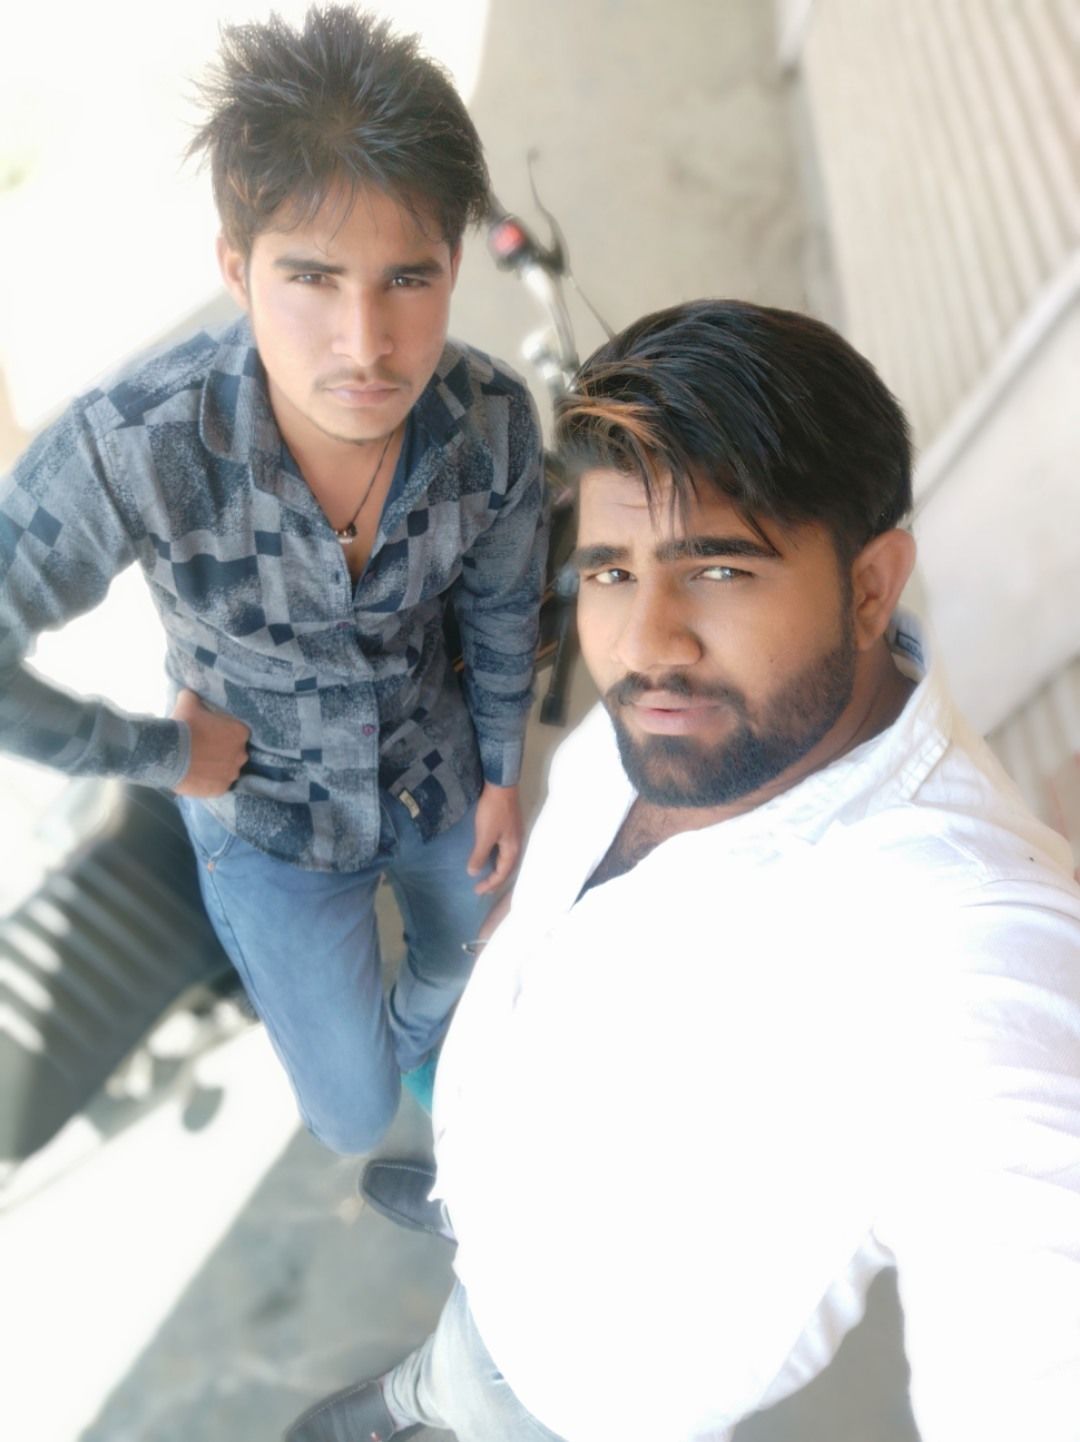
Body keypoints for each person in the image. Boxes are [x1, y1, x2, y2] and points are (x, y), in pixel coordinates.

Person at [288, 299, 1080, 1441]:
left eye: (717, 566)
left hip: (557, 1390)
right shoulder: (708, 713)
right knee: (454, 1295)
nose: (647, 642)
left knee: (445, 1396)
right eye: (611, 570)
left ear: (870, 586)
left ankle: (428, 1390)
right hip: (504, 1201)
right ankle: (471, 1208)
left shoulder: (969, 946)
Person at [0, 6, 546, 1154]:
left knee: (473, 967)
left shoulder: (491, 421)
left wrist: (504, 769)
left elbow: (503, 609)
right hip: (267, 821)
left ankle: (423, 1040)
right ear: (237, 270)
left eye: (408, 277)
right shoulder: (134, 444)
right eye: (312, 276)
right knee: (352, 1114)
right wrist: (156, 753)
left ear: (454, 264)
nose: (366, 343)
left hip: (440, 779)